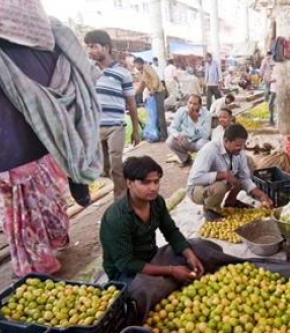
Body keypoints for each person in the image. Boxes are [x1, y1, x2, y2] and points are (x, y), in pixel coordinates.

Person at [100, 156, 222, 316]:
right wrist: (171, 270)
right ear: (129, 183)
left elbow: (171, 231)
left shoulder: (157, 202)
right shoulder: (117, 217)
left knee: (201, 246)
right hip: (127, 273)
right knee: (145, 291)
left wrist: (190, 255)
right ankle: (172, 279)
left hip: (152, 257)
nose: (153, 188)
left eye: (156, 182)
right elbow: (126, 264)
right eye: (145, 182)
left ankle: (176, 277)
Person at [85, 29, 140, 199]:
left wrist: (136, 130)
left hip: (116, 125)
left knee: (116, 165)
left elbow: (131, 103)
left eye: (94, 46)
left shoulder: (122, 73)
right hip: (95, 127)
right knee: (106, 168)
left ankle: (121, 202)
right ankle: (122, 191)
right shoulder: (87, 70)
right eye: (88, 47)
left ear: (106, 47)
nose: (90, 50)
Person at [187, 124, 273, 219]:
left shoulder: (239, 152)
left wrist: (261, 195)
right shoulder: (210, 150)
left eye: (242, 145)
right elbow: (195, 178)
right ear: (226, 141)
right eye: (237, 145)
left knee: (240, 176)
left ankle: (230, 202)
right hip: (197, 189)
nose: (240, 149)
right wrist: (224, 175)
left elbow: (244, 178)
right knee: (220, 187)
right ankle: (210, 209)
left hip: (218, 183)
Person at [166, 94, 212, 165]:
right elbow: (173, 127)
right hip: (185, 140)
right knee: (170, 141)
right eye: (190, 103)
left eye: (195, 104)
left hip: (198, 141)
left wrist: (195, 122)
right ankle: (186, 159)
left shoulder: (206, 114)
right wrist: (178, 135)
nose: (191, 106)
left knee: (205, 145)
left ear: (200, 105)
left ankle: (202, 163)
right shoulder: (181, 111)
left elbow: (206, 135)